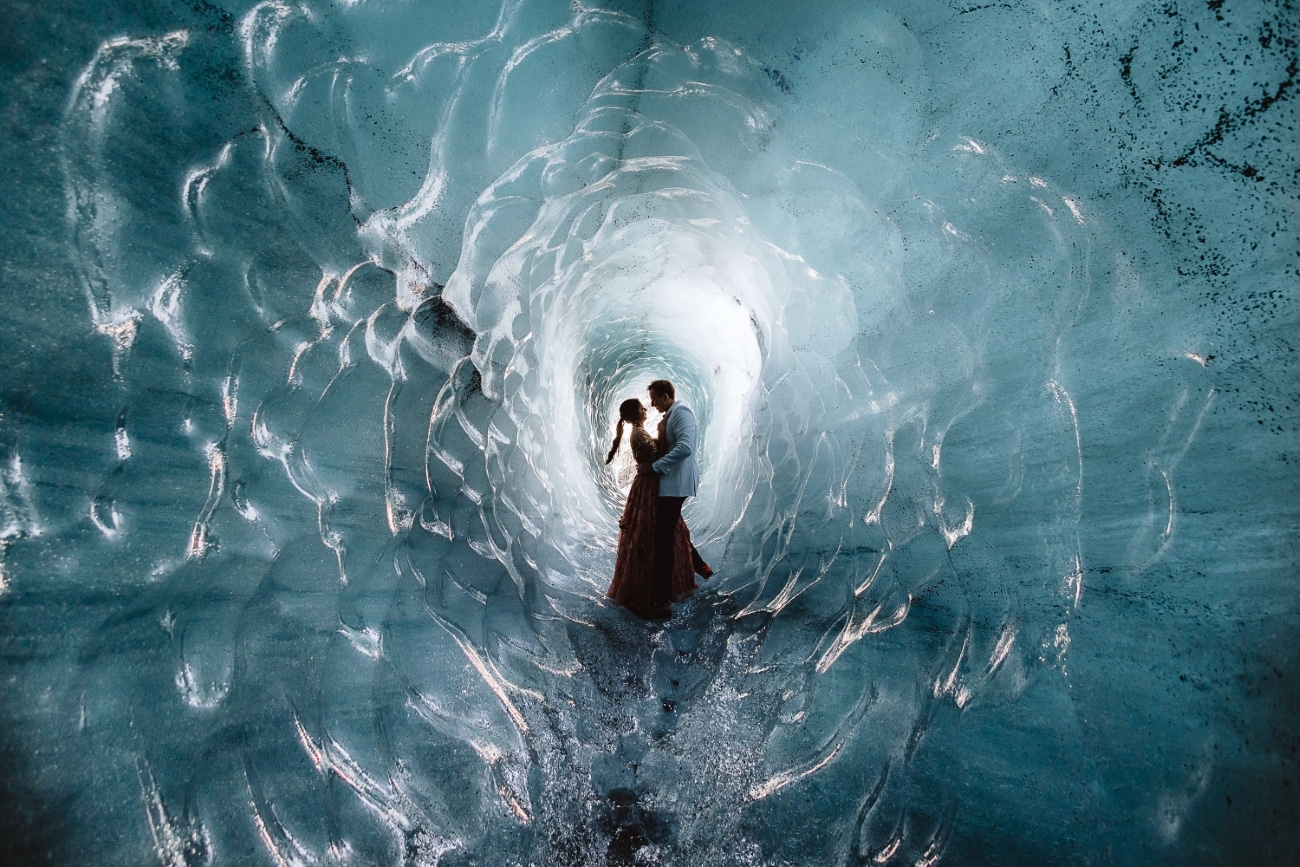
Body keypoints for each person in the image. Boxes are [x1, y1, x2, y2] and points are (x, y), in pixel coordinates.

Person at [605, 397, 709, 619]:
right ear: (636, 413)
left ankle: (695, 566)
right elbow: (658, 456)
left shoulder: (638, 433)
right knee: (665, 530)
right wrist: (666, 434)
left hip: (647, 484)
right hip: (650, 486)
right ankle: (667, 588)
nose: (646, 409)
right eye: (643, 407)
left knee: (670, 527)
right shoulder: (640, 433)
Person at [647, 379, 704, 614]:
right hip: (672, 484)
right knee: (671, 529)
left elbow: (685, 448)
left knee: (663, 540)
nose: (652, 405)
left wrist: (655, 467)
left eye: (654, 399)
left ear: (665, 396)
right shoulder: (672, 414)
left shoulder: (681, 412)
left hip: (677, 484)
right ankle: (700, 565)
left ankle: (662, 599)